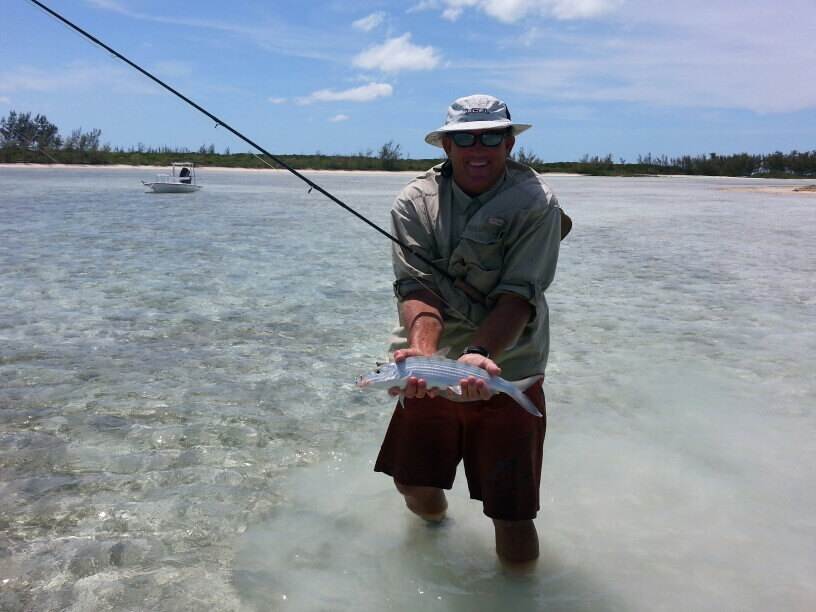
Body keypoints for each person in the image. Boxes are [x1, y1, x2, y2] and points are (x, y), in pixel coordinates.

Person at [373, 94, 567, 566]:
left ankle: (518, 593)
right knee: (413, 485)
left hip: (508, 362)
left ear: (509, 144)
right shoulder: (414, 202)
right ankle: (438, 530)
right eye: (464, 139)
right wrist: (423, 357)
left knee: (511, 512)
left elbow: (519, 295)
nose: (478, 148)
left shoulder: (537, 203)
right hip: (431, 366)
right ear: (446, 146)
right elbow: (416, 288)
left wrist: (480, 355)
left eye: (491, 136)